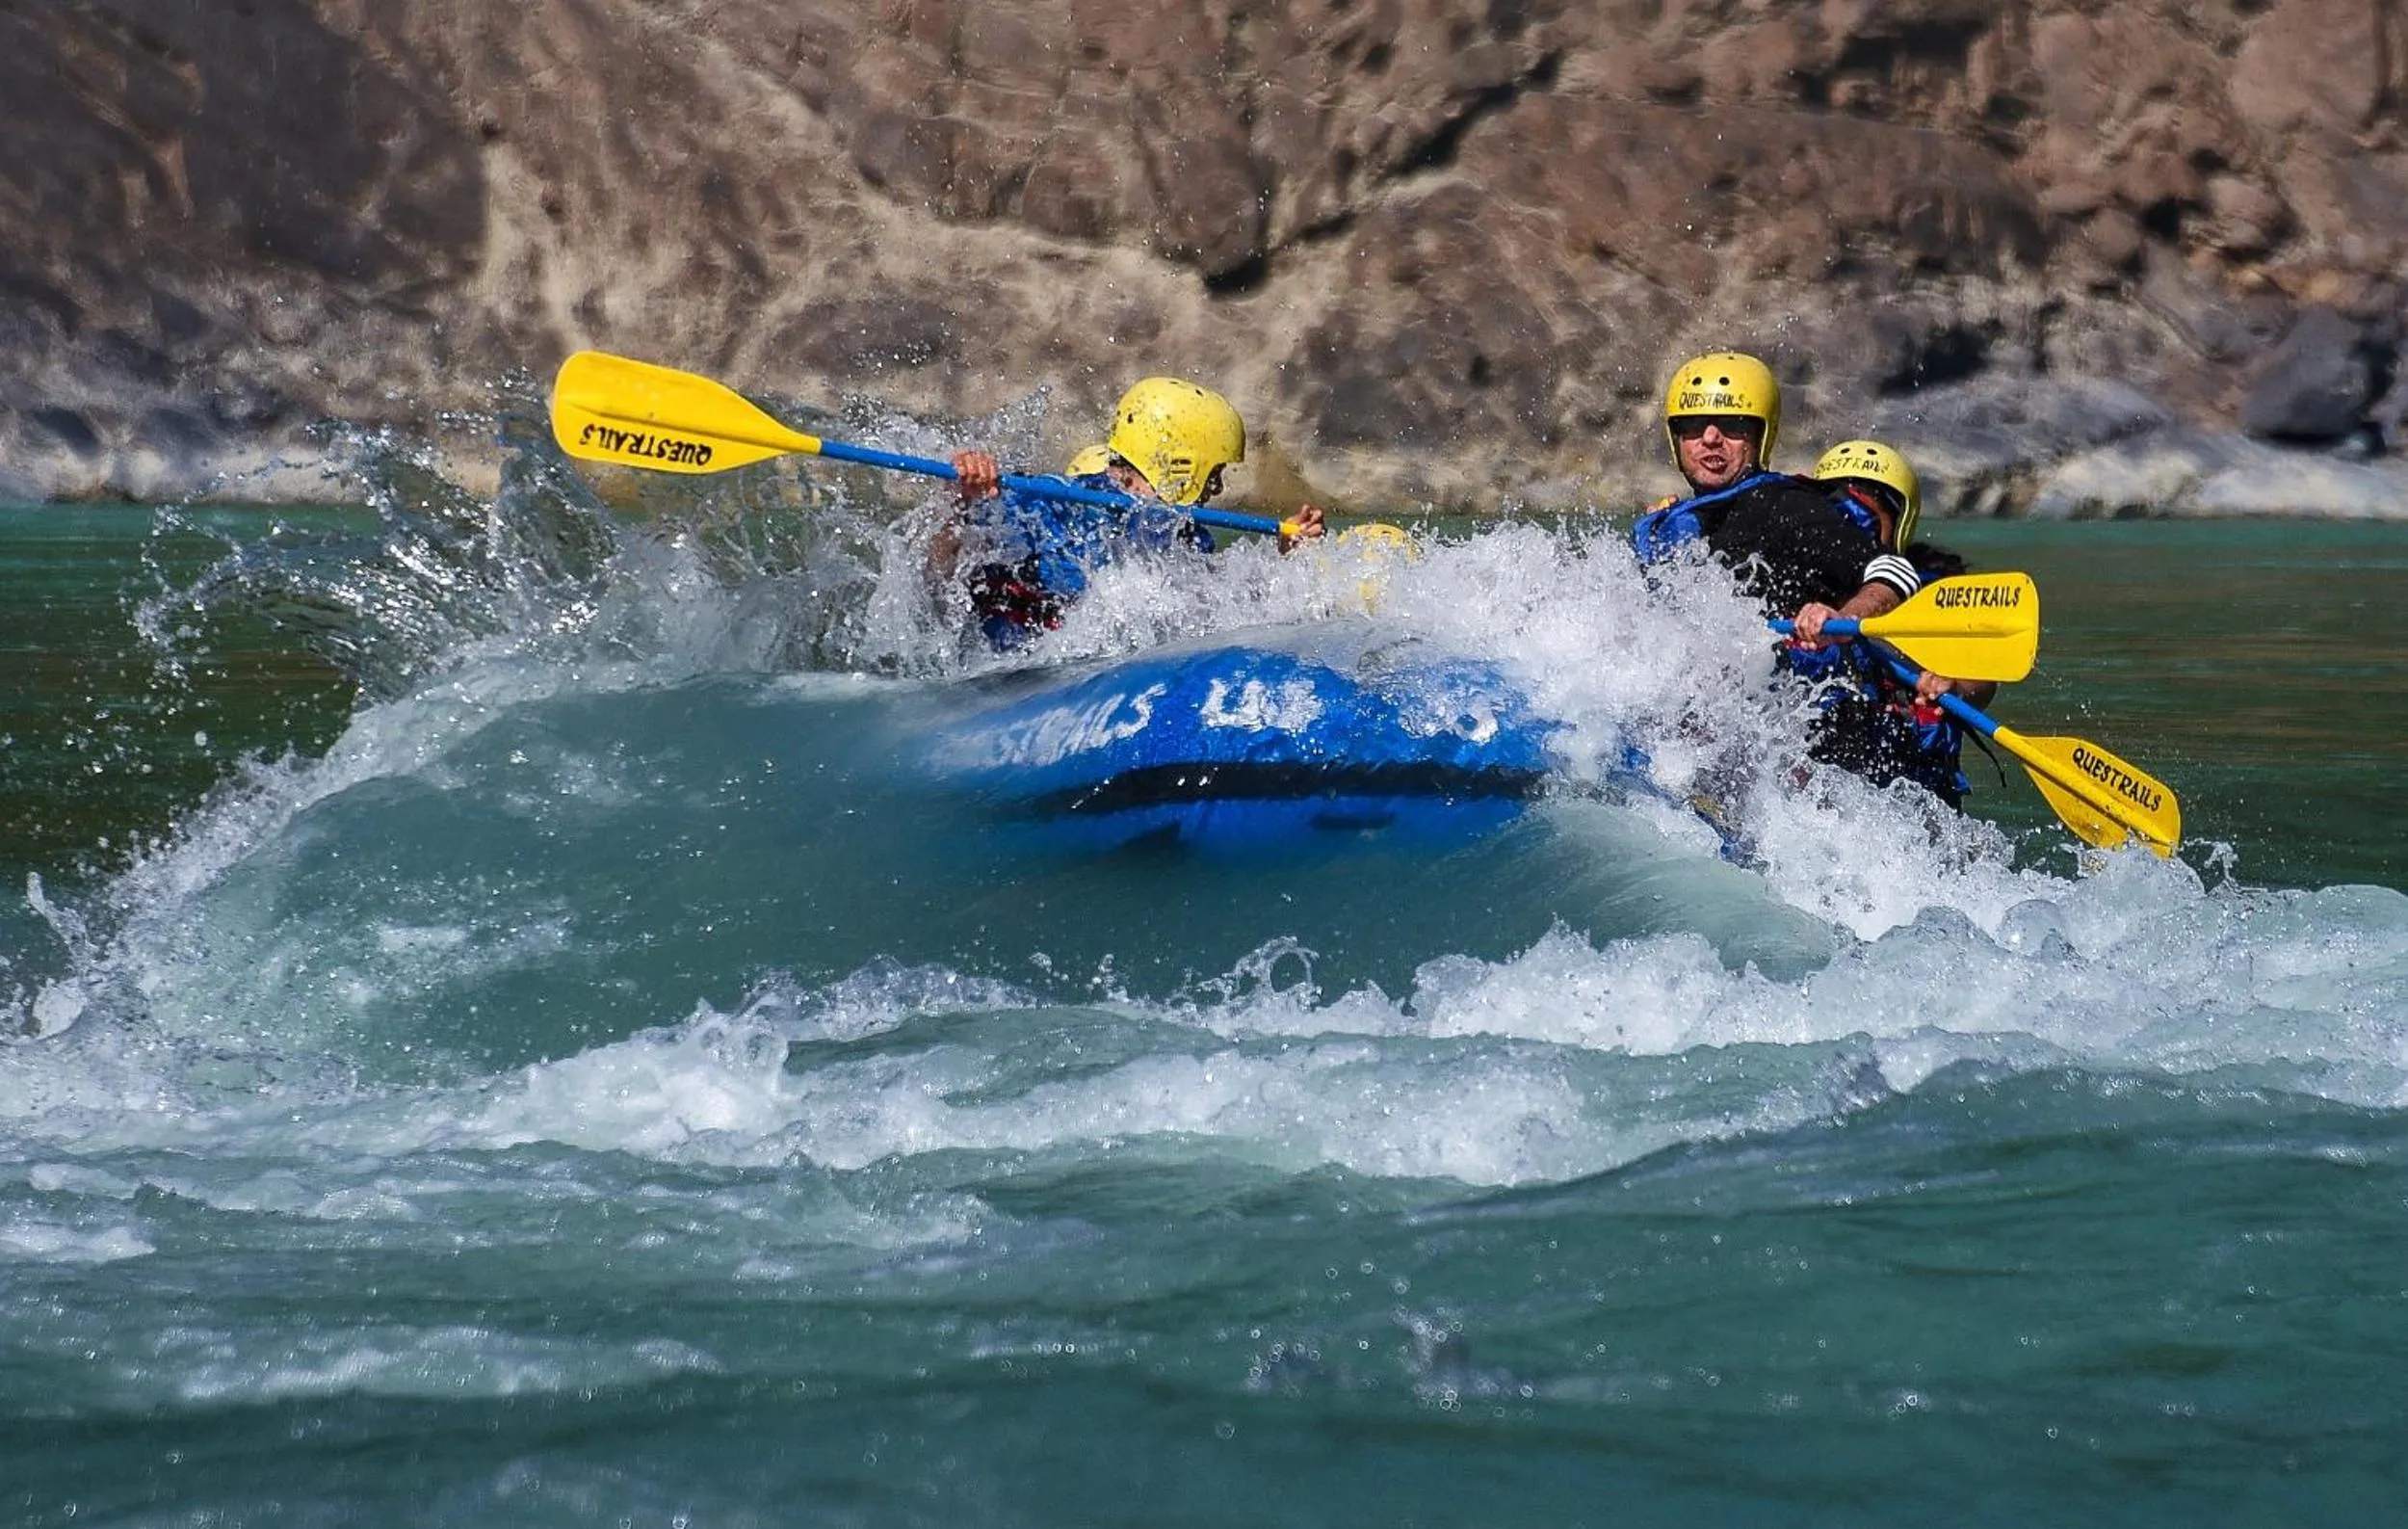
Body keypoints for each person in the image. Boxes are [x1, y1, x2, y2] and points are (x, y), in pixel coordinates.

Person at [1627, 352, 1983, 805]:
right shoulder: (1678, 522)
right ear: (1675, 437)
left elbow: (1894, 572)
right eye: (1693, 426)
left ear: (1760, 435)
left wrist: (1843, 619)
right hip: (1747, 734)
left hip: (1833, 747)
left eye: (1733, 425)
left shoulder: (1785, 506)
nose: (1711, 438)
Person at [935, 378, 1324, 648]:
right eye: (1214, 473)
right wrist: (964, 501)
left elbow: (1225, 610)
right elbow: (940, 577)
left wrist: (1286, 564)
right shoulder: (1050, 502)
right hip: (1007, 676)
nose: (1217, 488)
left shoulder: (1186, 536)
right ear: (1180, 463)